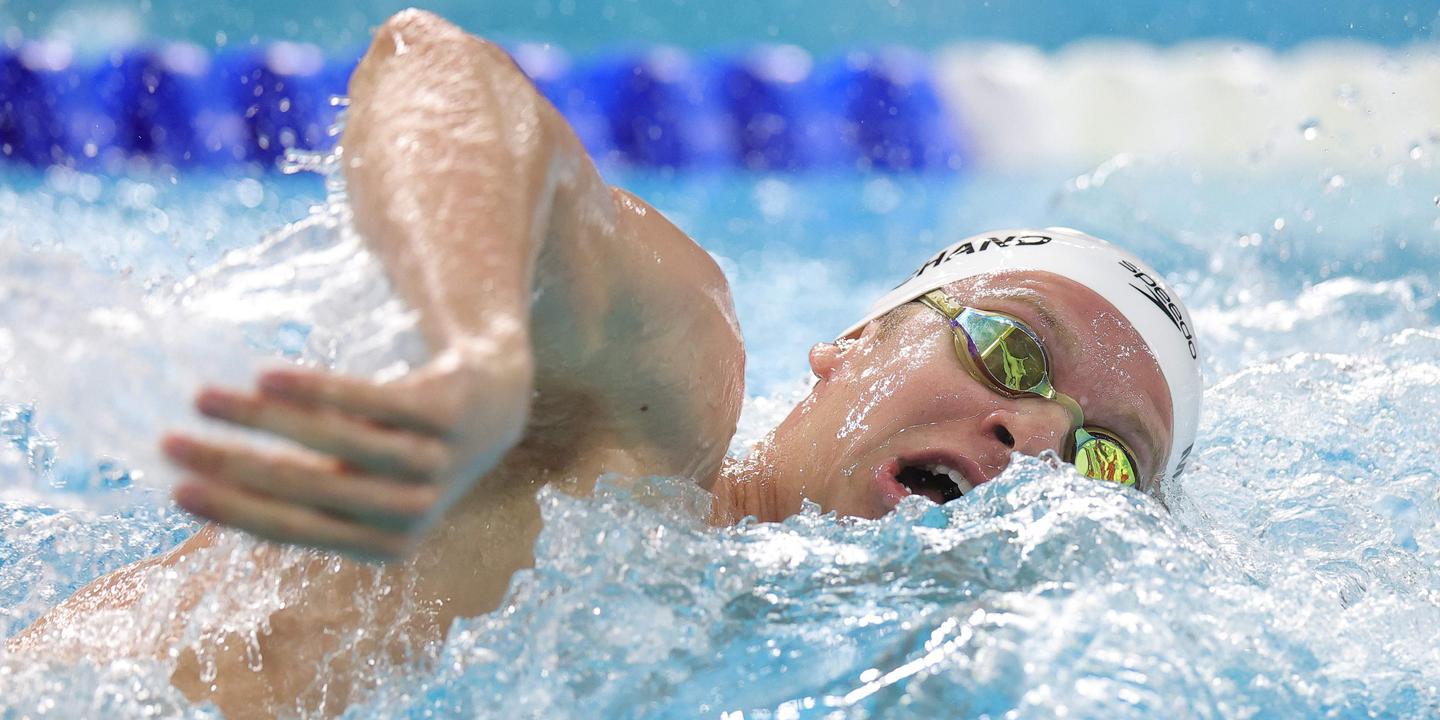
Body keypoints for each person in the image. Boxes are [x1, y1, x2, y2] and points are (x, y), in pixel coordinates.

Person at [6, 9, 1201, 718]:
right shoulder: (654, 415)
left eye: (1104, 461)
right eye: (1007, 348)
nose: (1037, 441)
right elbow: (437, 69)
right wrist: (477, 344)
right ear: (849, 348)